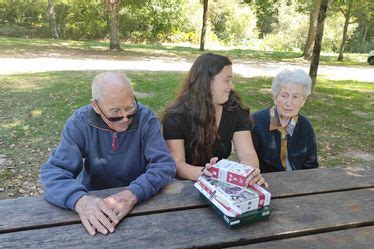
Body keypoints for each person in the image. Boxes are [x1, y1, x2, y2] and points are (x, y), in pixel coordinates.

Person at [40, 72, 176, 236]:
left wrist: (133, 194)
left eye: (130, 107)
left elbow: (164, 165)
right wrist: (79, 200)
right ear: (96, 106)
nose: (125, 118)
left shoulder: (146, 119)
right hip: (93, 204)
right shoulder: (80, 123)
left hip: (141, 202)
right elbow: (53, 172)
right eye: (115, 112)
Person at [161, 53, 267, 187]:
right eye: (227, 80)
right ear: (206, 82)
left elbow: (247, 153)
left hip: (220, 183)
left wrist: (248, 174)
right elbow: (177, 164)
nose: (232, 86)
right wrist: (207, 173)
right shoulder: (176, 117)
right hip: (185, 185)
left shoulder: (234, 109)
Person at [251, 69, 318, 173]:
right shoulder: (256, 122)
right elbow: (250, 165)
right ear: (275, 97)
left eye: (295, 97)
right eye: (284, 96)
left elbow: (311, 165)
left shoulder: (305, 126)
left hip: (299, 182)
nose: (289, 103)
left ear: (303, 101)